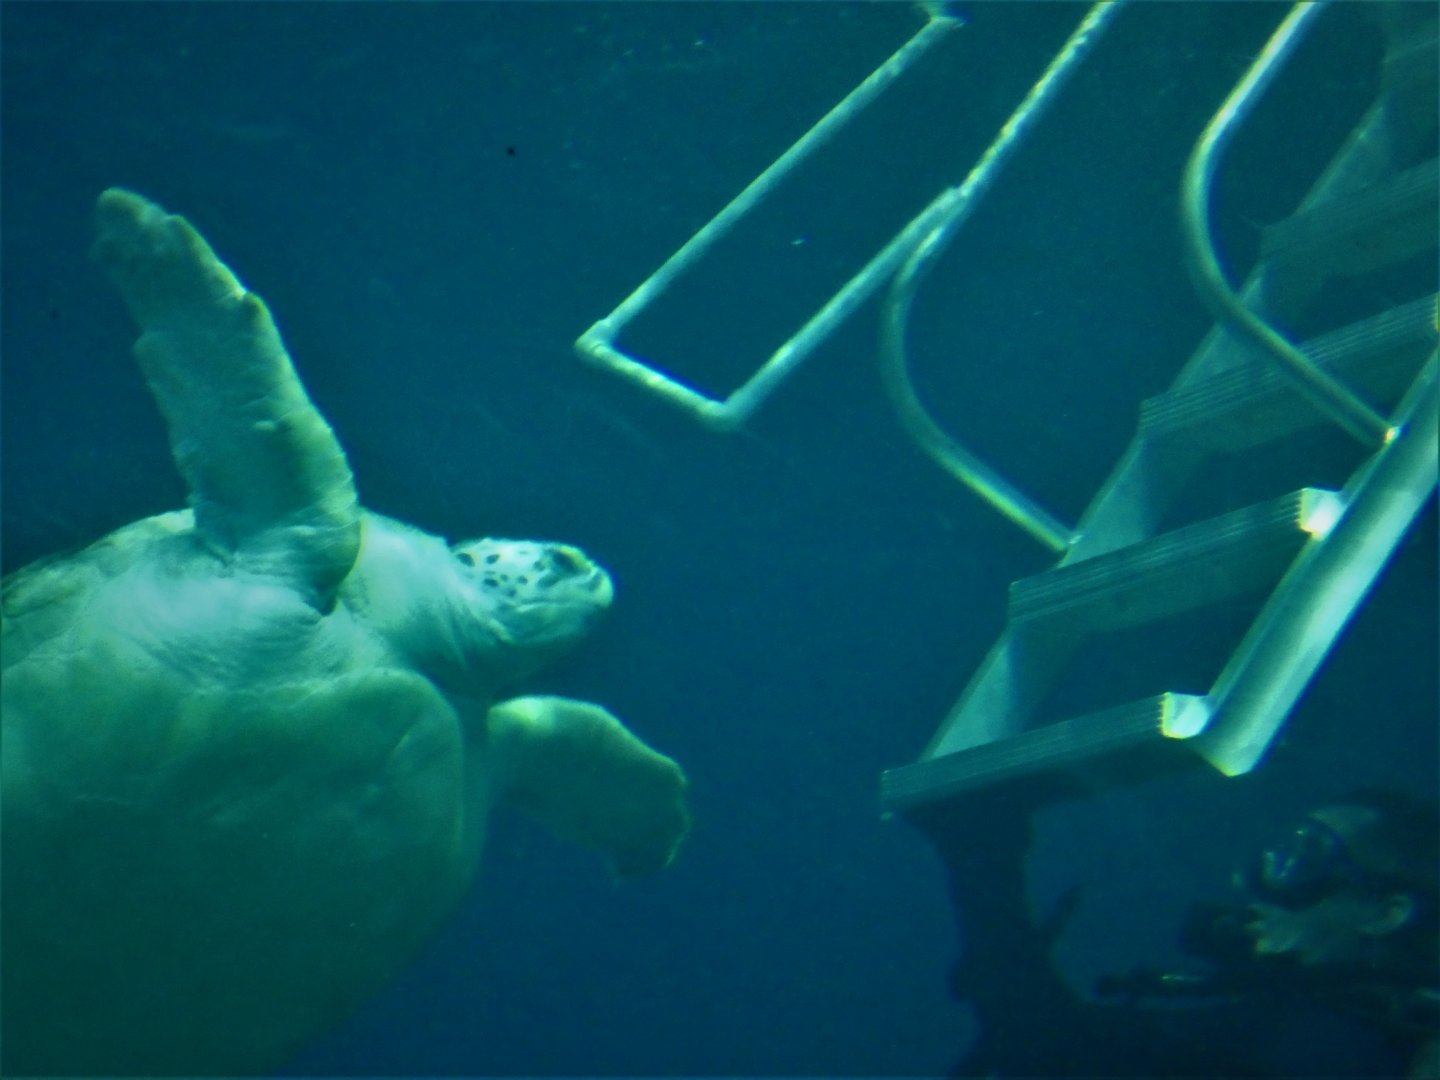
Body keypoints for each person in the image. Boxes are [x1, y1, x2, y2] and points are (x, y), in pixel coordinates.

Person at [935, 788, 1439, 1078]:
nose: (1263, 880)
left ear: (1386, 913)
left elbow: (1045, 1044)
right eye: (1277, 854)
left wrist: (983, 861)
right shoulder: (1371, 1032)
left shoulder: (1323, 1040)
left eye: (1306, 861)